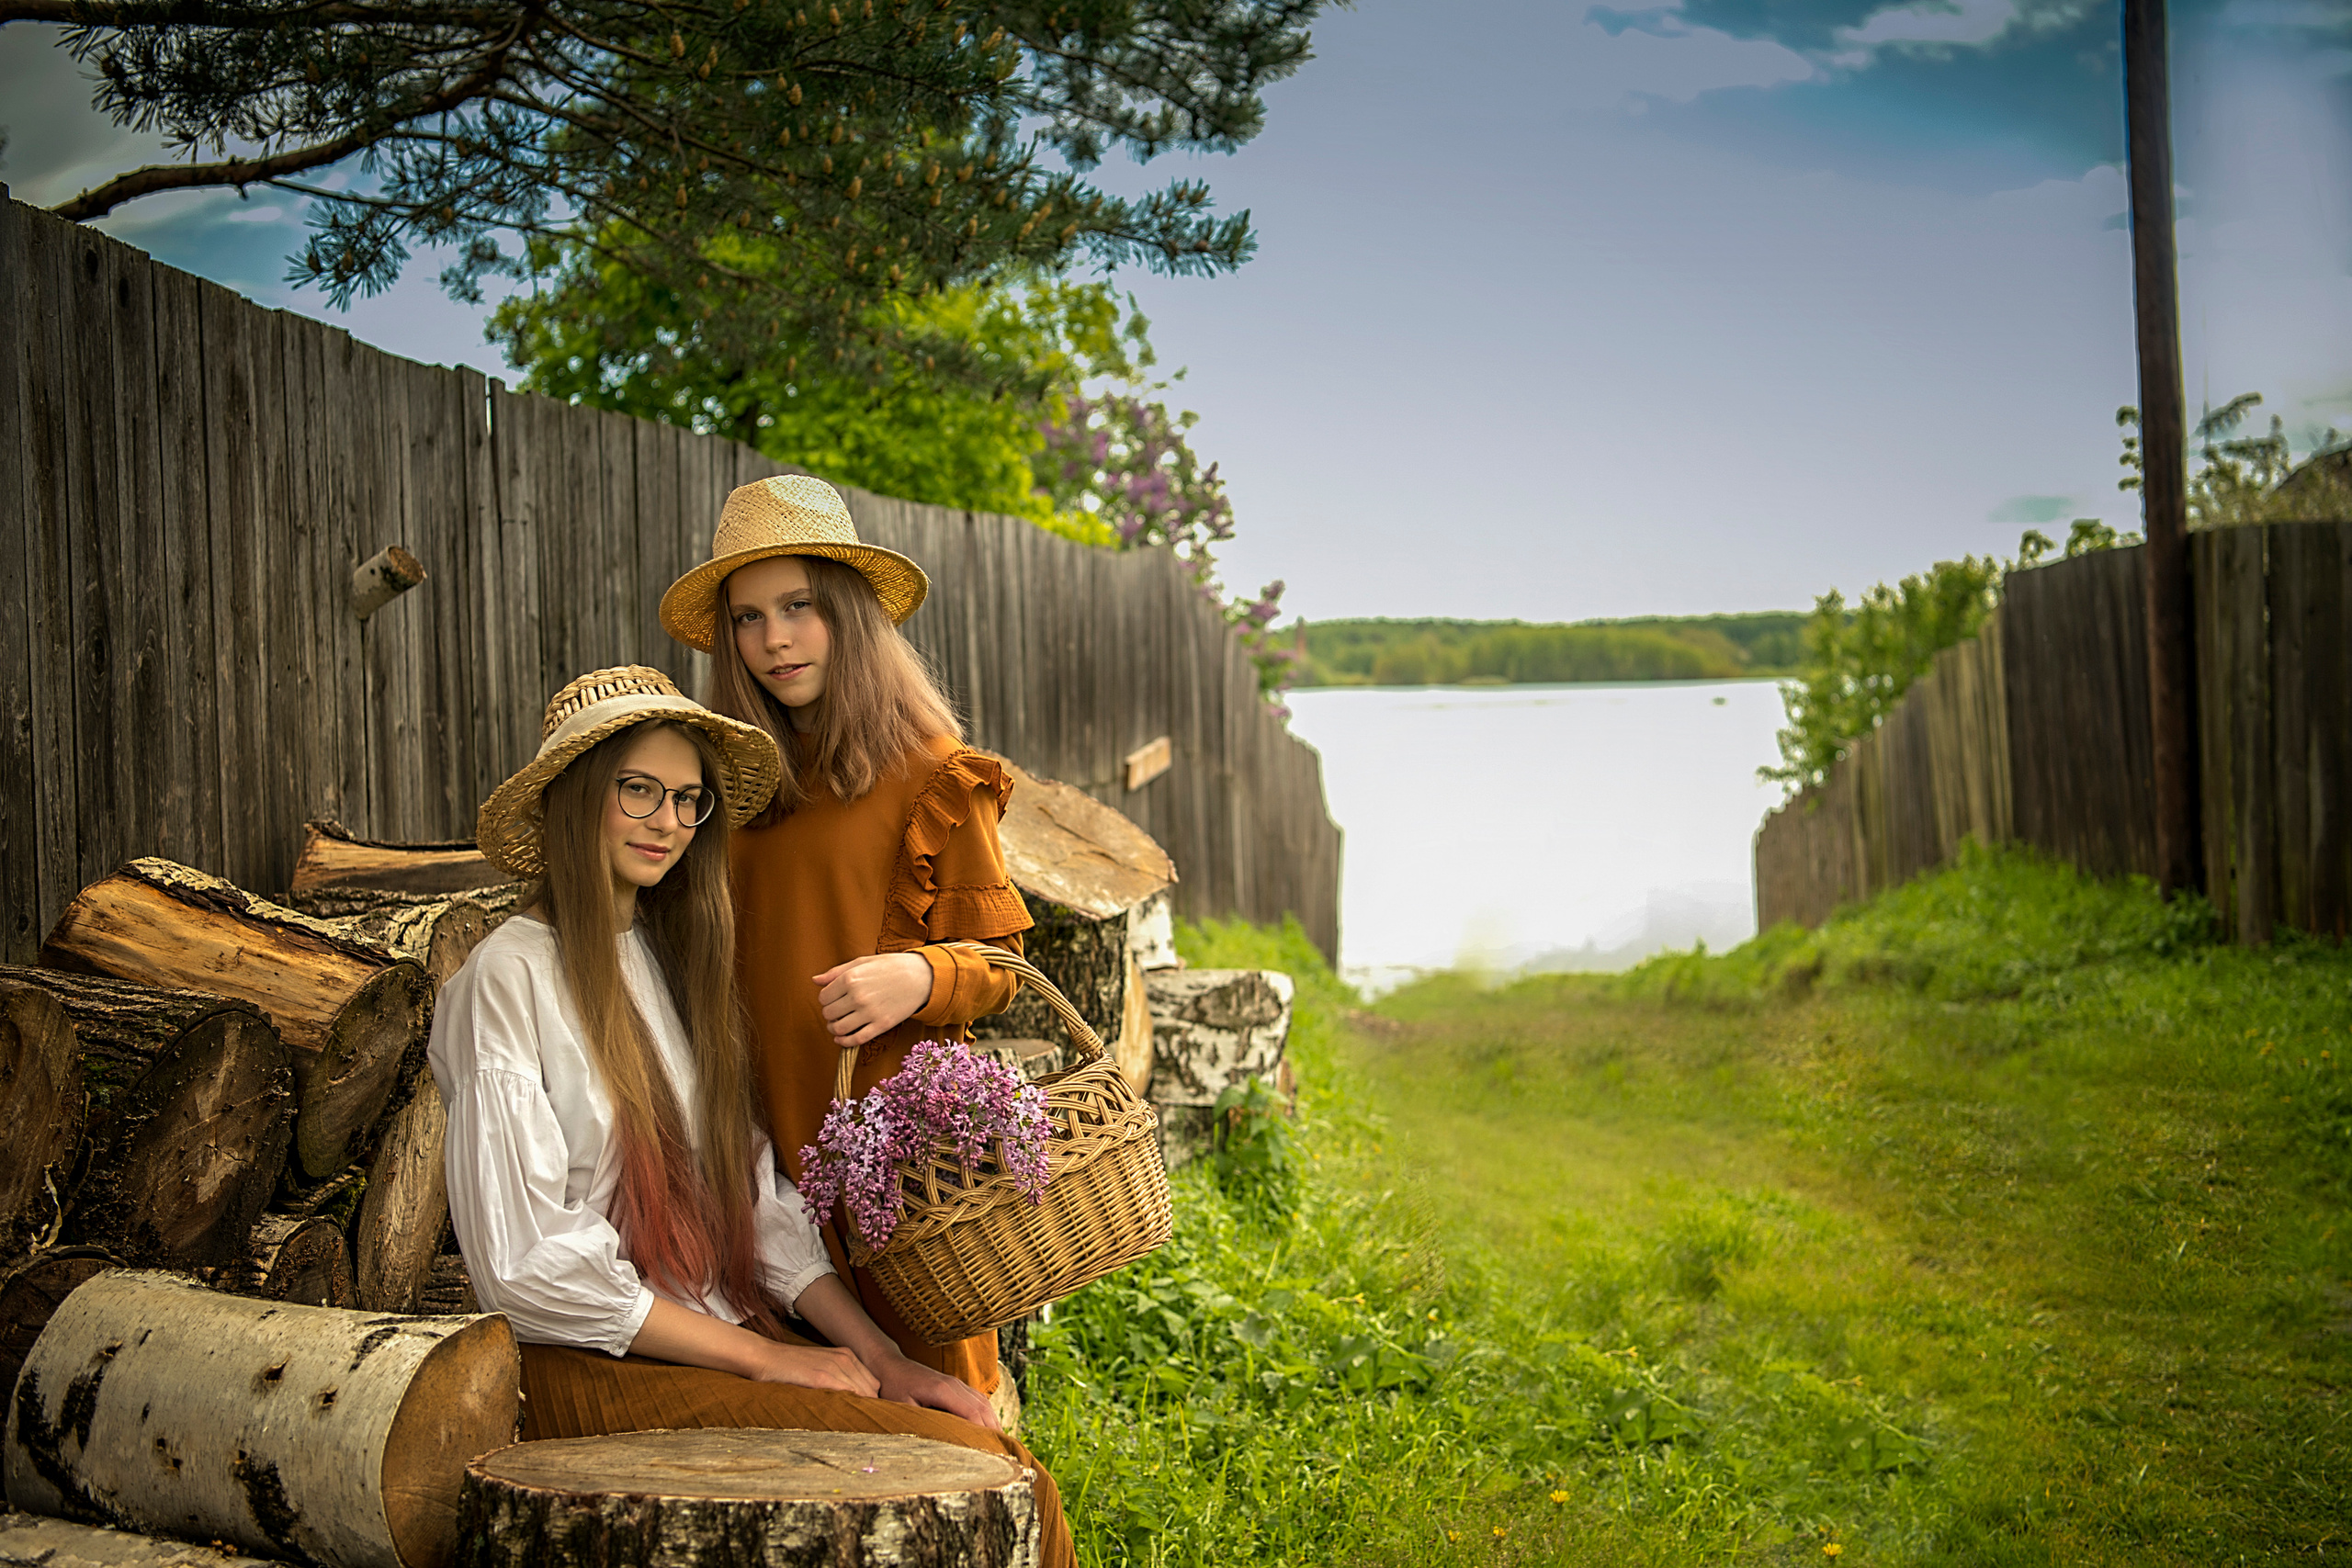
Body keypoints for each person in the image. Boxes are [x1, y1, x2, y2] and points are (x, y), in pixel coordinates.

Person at [429, 664, 1072, 1568]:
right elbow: (524, 1270)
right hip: (599, 1369)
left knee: (997, 1466)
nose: (668, 822)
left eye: (688, 800)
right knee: (968, 1466)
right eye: (639, 791)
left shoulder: (665, 962)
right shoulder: (508, 978)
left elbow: (755, 1202)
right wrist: (774, 1363)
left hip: (718, 1333)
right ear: (575, 800)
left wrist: (882, 1358)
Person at [659, 476, 1036, 1404]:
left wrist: (918, 976)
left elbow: (1003, 969)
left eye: (798, 608)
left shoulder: (935, 775)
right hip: (753, 1154)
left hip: (895, 1164)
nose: (773, 640)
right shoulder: (730, 789)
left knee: (940, 1403)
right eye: (747, 620)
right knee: (806, 1413)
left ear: (851, 615)